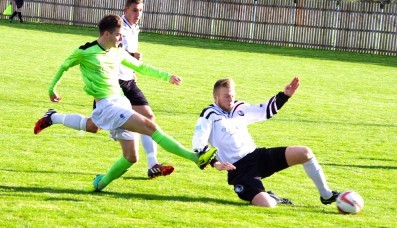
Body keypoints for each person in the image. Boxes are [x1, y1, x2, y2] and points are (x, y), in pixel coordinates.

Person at [35, 14, 217, 192]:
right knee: (150, 127)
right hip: (107, 106)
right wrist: (52, 89)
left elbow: (140, 67)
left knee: (131, 157)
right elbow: (64, 66)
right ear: (107, 34)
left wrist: (167, 76)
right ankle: (195, 158)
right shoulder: (85, 51)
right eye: (118, 34)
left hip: (121, 103)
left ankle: (100, 183)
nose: (121, 37)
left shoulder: (118, 51)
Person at [34, 0, 175, 179]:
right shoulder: (116, 27)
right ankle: (54, 117)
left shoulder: (134, 28)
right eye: (135, 10)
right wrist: (52, 88)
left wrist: (156, 72)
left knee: (147, 117)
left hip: (128, 83)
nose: (138, 14)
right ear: (126, 10)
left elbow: (127, 57)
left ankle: (153, 164)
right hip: (111, 86)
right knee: (93, 127)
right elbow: (112, 50)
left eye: (140, 10)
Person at [192, 77, 340, 207]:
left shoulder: (239, 107)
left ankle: (326, 195)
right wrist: (216, 164)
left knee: (304, 153)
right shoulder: (209, 114)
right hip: (239, 171)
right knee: (268, 205)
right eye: (226, 96)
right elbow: (199, 146)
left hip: (257, 157)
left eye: (232, 95)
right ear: (215, 97)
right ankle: (272, 197)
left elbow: (264, 111)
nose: (230, 99)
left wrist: (285, 95)